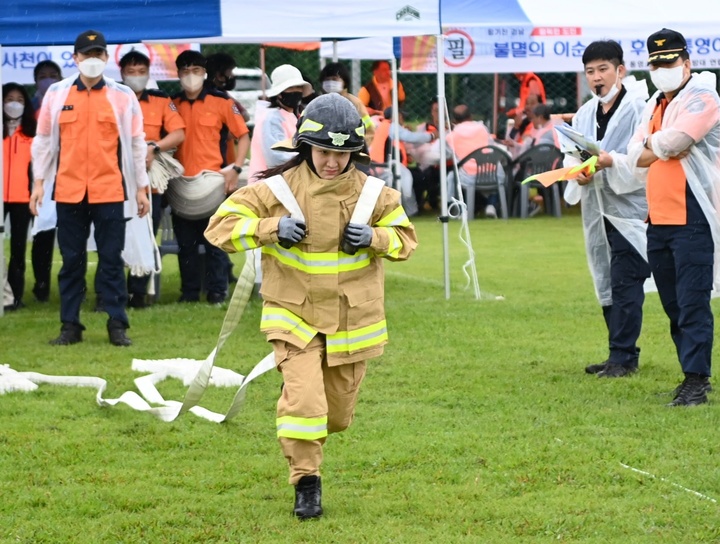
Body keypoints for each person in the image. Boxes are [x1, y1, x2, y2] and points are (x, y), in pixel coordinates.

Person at [204, 93, 417, 519]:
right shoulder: (276, 189)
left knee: (335, 418)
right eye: (323, 152)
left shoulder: (376, 194)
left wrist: (375, 239)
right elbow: (219, 229)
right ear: (306, 147)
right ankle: (307, 484)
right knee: (306, 407)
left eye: (342, 154)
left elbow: (405, 241)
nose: (332, 162)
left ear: (355, 152)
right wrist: (270, 228)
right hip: (293, 316)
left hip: (351, 322)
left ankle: (304, 413)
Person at [29, 30, 150, 346]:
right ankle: (70, 326)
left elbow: (137, 144)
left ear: (106, 58)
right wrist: (39, 183)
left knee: (111, 261)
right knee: (71, 262)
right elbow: (42, 141)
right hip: (68, 190)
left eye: (98, 54)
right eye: (87, 54)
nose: (92, 60)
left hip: (110, 189)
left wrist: (141, 187)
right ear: (75, 58)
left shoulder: (122, 96)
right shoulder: (56, 94)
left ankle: (117, 325)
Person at [628, 28, 720, 405]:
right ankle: (691, 374)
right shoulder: (654, 103)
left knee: (692, 299)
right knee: (672, 303)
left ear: (686, 63)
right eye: (655, 63)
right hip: (659, 217)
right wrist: (656, 145)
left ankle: (697, 381)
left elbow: (674, 142)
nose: (662, 68)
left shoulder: (703, 94)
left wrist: (655, 144)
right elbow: (634, 154)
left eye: (669, 62)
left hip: (693, 214)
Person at [562, 40, 651, 378]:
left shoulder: (640, 107)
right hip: (598, 211)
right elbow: (573, 154)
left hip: (633, 210)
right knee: (606, 279)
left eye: (603, 69)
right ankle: (619, 352)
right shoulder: (586, 113)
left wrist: (607, 164)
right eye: (590, 71)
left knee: (626, 280)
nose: (596, 77)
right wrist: (578, 172)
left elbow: (642, 159)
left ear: (620, 71)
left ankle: (623, 356)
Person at [171, 50, 250, 305]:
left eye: (196, 70)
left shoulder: (221, 102)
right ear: (178, 74)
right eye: (185, 71)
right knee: (186, 244)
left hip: (214, 182)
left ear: (204, 73)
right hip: (180, 183)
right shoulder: (172, 104)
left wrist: (236, 169)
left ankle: (217, 292)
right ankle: (189, 293)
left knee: (215, 241)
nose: (190, 76)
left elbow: (243, 135)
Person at [119, 50, 186, 309]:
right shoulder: (113, 97)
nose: (136, 77)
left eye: (141, 72)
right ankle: (110, 293)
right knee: (114, 234)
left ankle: (138, 293)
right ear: (122, 73)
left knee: (147, 234)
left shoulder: (160, 100)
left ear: (148, 74)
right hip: (116, 178)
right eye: (131, 72)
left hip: (148, 183)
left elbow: (178, 132)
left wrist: (154, 147)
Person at [30, 60, 63, 303]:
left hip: (66, 177)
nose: (48, 80)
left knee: (71, 236)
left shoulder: (67, 104)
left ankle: (73, 285)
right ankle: (41, 284)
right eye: (43, 76)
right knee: (42, 234)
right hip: (36, 180)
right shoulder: (26, 107)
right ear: (35, 81)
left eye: (53, 75)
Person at [3, 83, 36, 310]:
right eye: (9, 99)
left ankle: (15, 296)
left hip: (22, 199)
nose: (14, 104)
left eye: (20, 100)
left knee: (18, 250)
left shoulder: (32, 137)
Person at [248, 64, 310, 184]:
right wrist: (307, 158)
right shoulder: (272, 118)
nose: (296, 91)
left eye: (298, 87)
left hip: (286, 180)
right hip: (268, 185)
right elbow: (276, 157)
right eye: (290, 88)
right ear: (279, 93)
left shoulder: (295, 115)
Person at [369, 107, 435, 216]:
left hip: (377, 166)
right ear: (397, 116)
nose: (403, 118)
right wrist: (431, 136)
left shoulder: (383, 125)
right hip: (386, 167)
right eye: (402, 116)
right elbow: (411, 137)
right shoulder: (392, 126)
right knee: (407, 178)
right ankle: (411, 211)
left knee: (411, 176)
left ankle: (410, 210)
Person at [445, 104, 497, 218]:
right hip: (489, 174)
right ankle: (492, 204)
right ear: (471, 116)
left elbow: (446, 154)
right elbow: (491, 147)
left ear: (454, 120)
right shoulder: (482, 128)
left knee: (452, 176)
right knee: (500, 171)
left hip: (468, 177)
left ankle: (457, 208)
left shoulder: (451, 136)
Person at [319, 62, 374, 147]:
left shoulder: (355, 104)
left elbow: (369, 131)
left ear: (344, 81)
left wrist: (359, 148)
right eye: (327, 80)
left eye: (334, 79)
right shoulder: (318, 104)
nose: (330, 83)